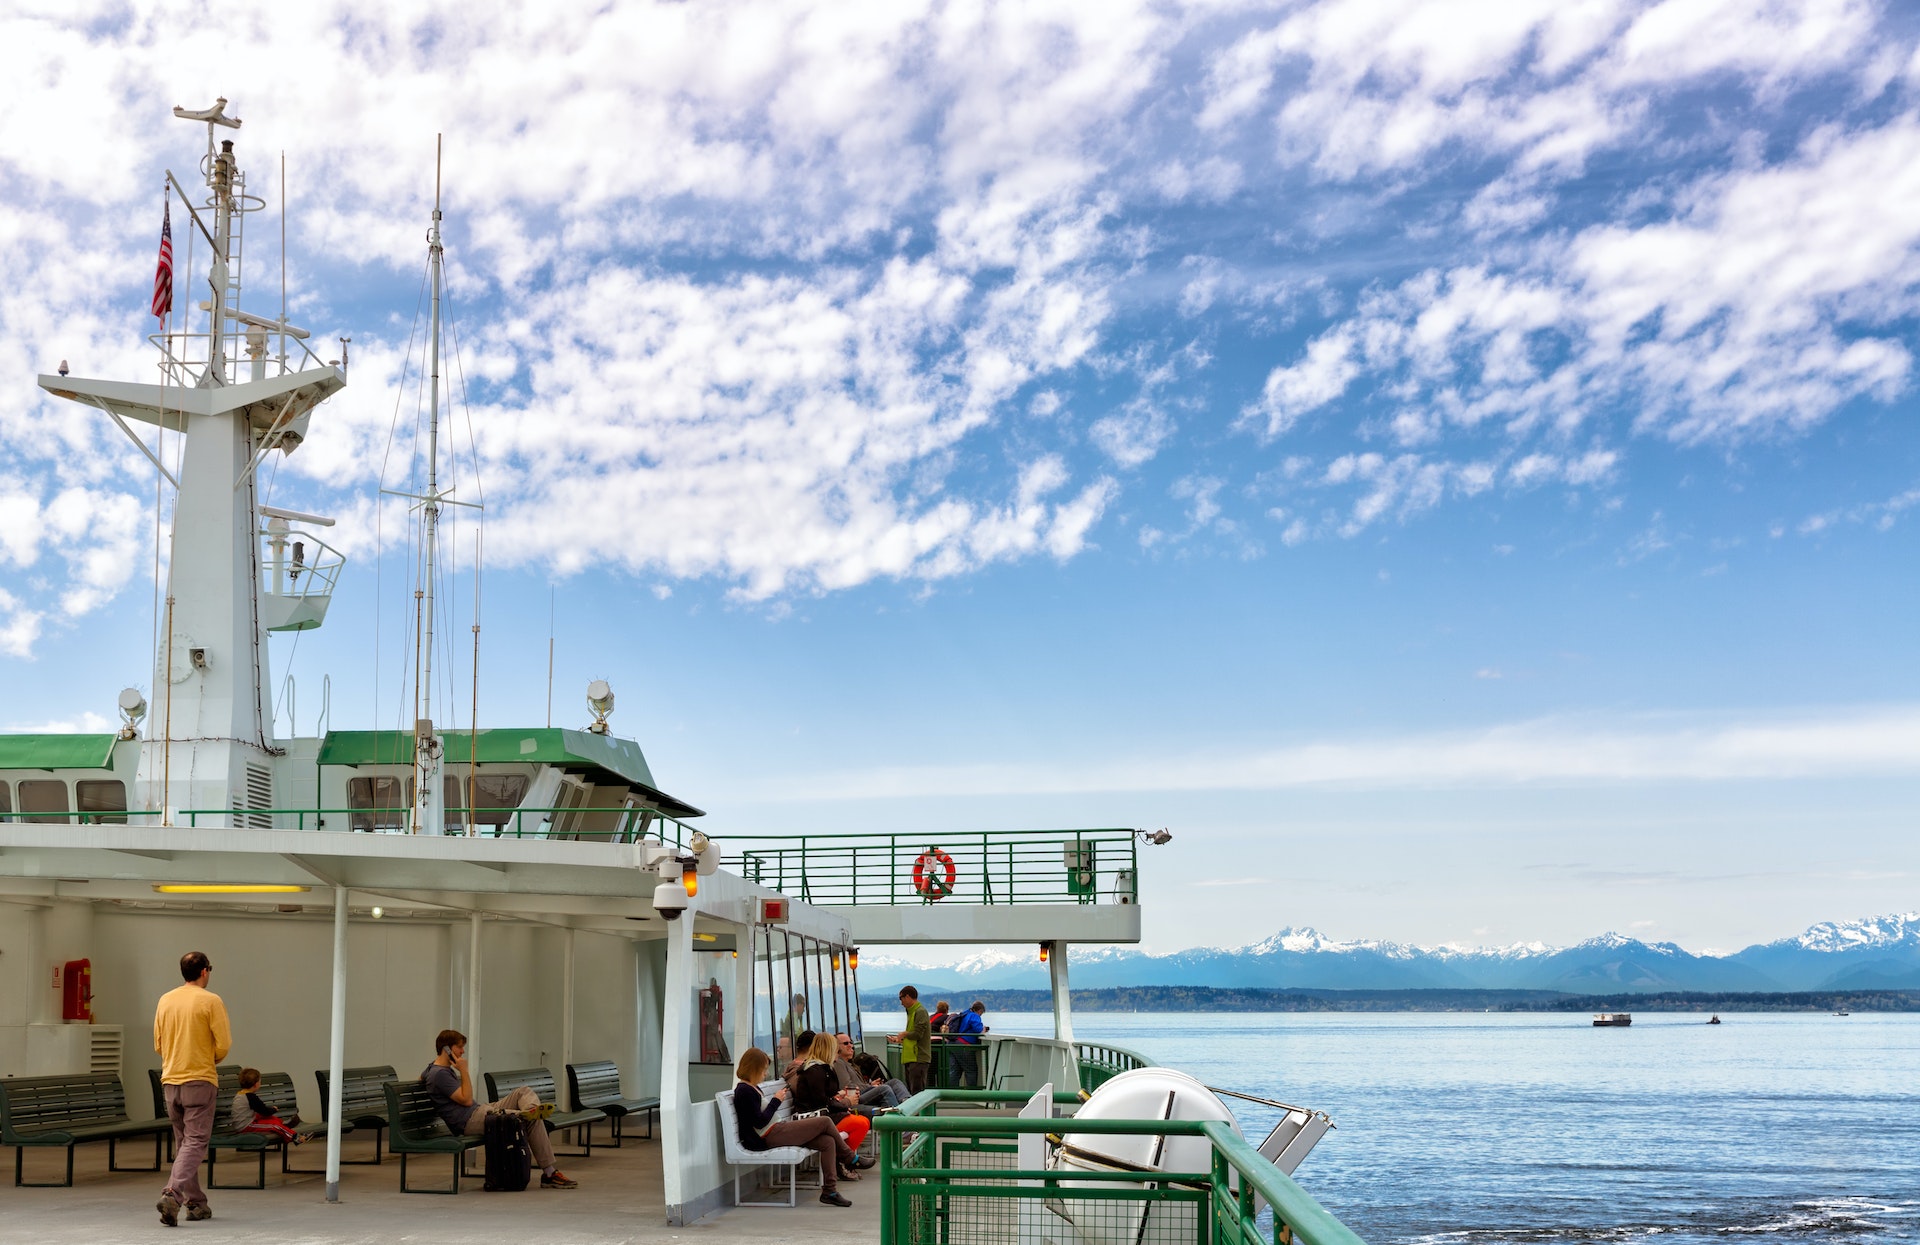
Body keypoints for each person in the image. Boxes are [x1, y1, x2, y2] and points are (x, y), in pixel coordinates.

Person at [421, 1029, 578, 1189]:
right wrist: (464, 1070)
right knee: (528, 1120)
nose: (463, 1051)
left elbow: (423, 1077)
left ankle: (530, 1111)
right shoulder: (440, 1074)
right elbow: (467, 1100)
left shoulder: (433, 1069)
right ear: (446, 1048)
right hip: (469, 1121)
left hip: (480, 1111)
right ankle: (550, 1173)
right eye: (459, 1047)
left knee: (523, 1092)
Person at [731, 1047, 872, 1207]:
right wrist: (776, 1101)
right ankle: (849, 1158)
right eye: (763, 1070)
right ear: (754, 1069)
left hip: (777, 1130)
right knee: (825, 1121)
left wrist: (775, 1101)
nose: (765, 1074)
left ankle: (829, 1191)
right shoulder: (744, 1091)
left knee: (827, 1142)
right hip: (769, 1136)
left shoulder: (751, 1088)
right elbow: (759, 1122)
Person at [154, 950, 231, 1226]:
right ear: (204, 972)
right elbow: (222, 1044)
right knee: (197, 1142)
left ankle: (196, 1203)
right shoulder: (211, 1001)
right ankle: (173, 1194)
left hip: (170, 1081)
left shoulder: (165, 1000)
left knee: (185, 1144)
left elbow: (158, 1043)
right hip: (199, 1079)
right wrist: (207, 1058)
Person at [792, 1032, 871, 1159]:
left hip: (824, 1114)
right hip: (814, 1119)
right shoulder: (814, 1071)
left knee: (862, 1121)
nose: (837, 1053)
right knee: (860, 1123)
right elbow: (821, 1101)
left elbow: (826, 1097)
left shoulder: (822, 1069)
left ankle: (843, 1159)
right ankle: (844, 1160)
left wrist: (839, 1097)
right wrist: (844, 1104)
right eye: (836, 1050)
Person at [228, 1068, 301, 1145]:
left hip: (246, 1121)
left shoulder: (241, 1094)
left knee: (270, 1118)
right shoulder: (250, 1097)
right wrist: (273, 1109)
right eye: (260, 1082)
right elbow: (265, 1112)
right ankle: (296, 1137)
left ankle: (284, 1125)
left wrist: (270, 1110)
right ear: (256, 1084)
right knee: (274, 1125)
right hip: (245, 1127)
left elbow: (261, 1110)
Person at [835, 1033, 896, 1111]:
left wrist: (870, 1085)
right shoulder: (839, 1063)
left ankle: (907, 1105)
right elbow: (848, 1087)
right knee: (884, 1089)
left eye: (851, 1042)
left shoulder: (851, 1064)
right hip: (856, 1097)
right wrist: (870, 1087)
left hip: (863, 1090)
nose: (851, 1046)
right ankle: (896, 1119)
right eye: (846, 1043)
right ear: (836, 1047)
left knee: (894, 1083)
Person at [892, 986, 932, 1096]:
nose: (901, 1002)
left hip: (918, 1058)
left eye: (901, 998)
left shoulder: (920, 1011)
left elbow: (918, 1034)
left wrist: (904, 1034)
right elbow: (913, 1035)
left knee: (917, 1092)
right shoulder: (912, 1011)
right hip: (911, 1058)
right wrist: (899, 1039)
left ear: (908, 996)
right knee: (911, 1090)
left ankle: (919, 1113)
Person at [948, 1001, 987, 1088]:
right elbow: (979, 1030)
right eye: (981, 1013)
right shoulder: (974, 1016)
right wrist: (984, 1029)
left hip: (953, 1043)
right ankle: (971, 1093)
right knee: (971, 1070)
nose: (980, 1015)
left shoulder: (964, 1014)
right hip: (964, 1045)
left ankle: (951, 1093)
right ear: (979, 1010)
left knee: (955, 1071)